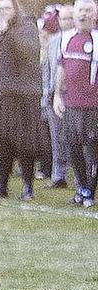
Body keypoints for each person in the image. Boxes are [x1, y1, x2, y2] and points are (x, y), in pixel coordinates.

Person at [0, 0, 45, 199]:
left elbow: (28, 52)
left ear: (16, 9)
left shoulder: (27, 27)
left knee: (24, 141)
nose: (3, 13)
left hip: (24, 94)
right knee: (3, 140)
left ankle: (27, 185)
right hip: (0, 94)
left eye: (7, 8)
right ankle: (2, 185)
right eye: (0, 9)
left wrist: (8, 31)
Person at [53, 0, 98, 206]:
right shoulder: (67, 39)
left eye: (88, 11)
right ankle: (82, 188)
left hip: (93, 106)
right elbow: (61, 68)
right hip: (71, 104)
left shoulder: (96, 39)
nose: (84, 15)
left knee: (93, 149)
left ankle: (89, 191)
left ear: (95, 14)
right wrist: (57, 96)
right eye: (81, 10)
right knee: (73, 147)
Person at [42, 4, 76, 189]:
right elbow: (47, 68)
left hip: (76, 97)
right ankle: (58, 175)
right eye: (63, 19)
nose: (67, 22)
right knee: (57, 138)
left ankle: (82, 178)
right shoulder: (53, 41)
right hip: (54, 95)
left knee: (78, 138)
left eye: (70, 18)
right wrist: (47, 92)